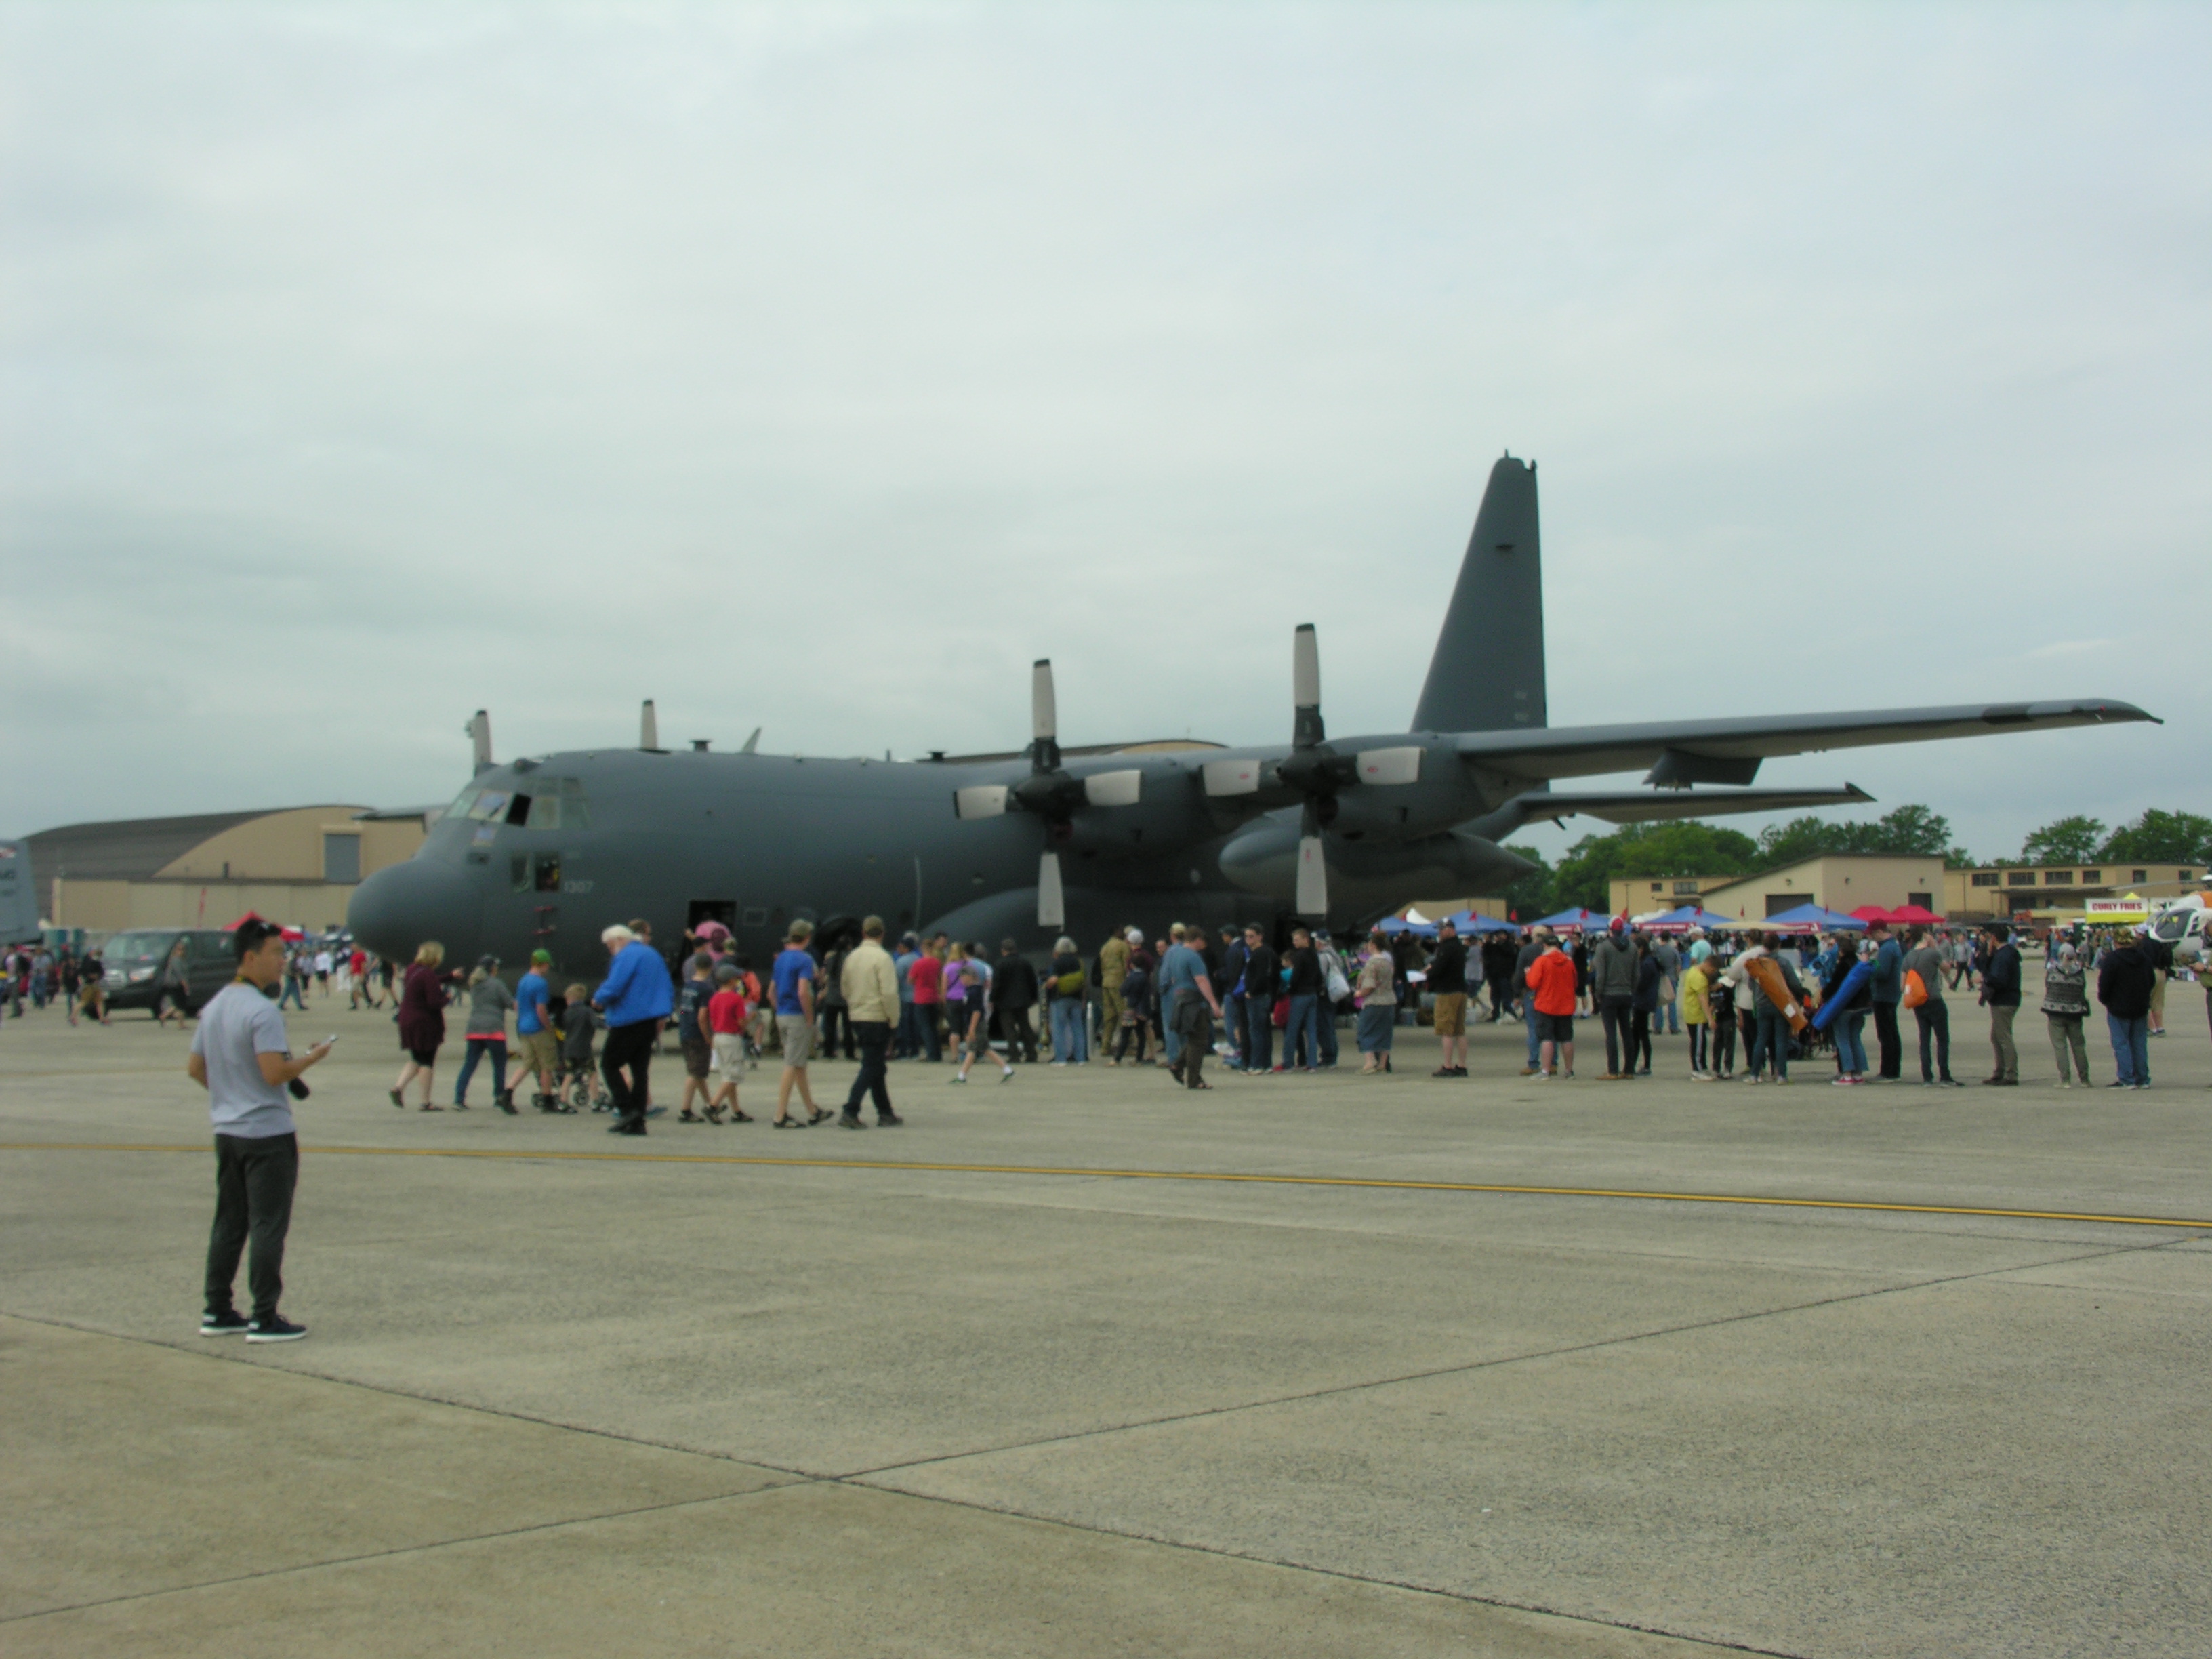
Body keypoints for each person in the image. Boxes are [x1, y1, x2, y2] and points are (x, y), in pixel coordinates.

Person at [187, 917, 331, 1343]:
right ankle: (264, 1315)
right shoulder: (262, 1010)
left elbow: (196, 1068)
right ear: (250, 958)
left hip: (228, 1131)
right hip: (266, 1134)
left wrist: (231, 1094)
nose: (282, 962)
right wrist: (311, 1059)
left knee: (229, 1223)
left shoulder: (215, 1006)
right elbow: (273, 1073)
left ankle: (217, 1309)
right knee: (268, 1224)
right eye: (275, 953)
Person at [594, 921, 674, 1136]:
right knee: (640, 1071)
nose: (610, 951)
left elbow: (616, 984)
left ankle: (627, 1109)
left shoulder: (628, 955)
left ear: (620, 940)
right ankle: (638, 1123)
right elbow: (666, 985)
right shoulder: (652, 955)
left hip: (629, 1018)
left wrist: (598, 998)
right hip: (651, 1019)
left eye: (610, 946)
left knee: (609, 1065)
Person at [838, 915, 904, 1128]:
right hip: (877, 1017)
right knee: (871, 1066)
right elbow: (889, 993)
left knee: (876, 1066)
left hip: (857, 1015)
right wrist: (894, 1018)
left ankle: (885, 1112)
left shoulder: (852, 957)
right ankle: (851, 1109)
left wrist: (854, 1006)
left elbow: (845, 988)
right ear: (882, 934)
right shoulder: (883, 958)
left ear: (864, 933)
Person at [771, 920, 827, 1126]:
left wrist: (779, 1009)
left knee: (799, 1064)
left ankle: (812, 1110)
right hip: (797, 1015)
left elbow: (771, 991)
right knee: (792, 1064)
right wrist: (810, 1016)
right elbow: (803, 991)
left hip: (782, 1014)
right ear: (807, 937)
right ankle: (780, 1115)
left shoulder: (781, 959)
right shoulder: (804, 960)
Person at [452, 955, 518, 1112]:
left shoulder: (474, 984)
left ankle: (459, 1098)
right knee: (499, 1064)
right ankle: (499, 1096)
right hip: (493, 1029)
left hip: (474, 1028)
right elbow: (509, 1003)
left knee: (470, 1064)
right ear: (493, 969)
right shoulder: (497, 984)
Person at [1159, 928, 1223, 1089]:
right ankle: (1194, 1079)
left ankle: (1178, 1065)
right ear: (1197, 939)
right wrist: (1214, 1003)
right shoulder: (1193, 957)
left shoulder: (1175, 954)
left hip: (1180, 999)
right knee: (1200, 1040)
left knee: (1193, 1037)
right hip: (1195, 1002)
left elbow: (1171, 978)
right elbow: (1201, 980)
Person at [391, 941, 449, 1110]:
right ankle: (425, 1101)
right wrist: (447, 998)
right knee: (427, 1062)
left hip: (407, 1019)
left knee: (416, 1058)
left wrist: (449, 977)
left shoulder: (412, 970)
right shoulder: (428, 975)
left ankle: (398, 1087)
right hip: (423, 1023)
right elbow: (433, 1003)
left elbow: (426, 982)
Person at [2097, 926, 2155, 1090]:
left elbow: (2104, 984)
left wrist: (2106, 1000)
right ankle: (2142, 1078)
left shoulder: (2112, 959)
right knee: (2139, 1043)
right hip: (2140, 1006)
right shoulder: (2144, 959)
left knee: (2121, 1043)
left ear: (2116, 942)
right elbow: (2151, 981)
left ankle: (2126, 1078)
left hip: (2118, 1007)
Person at [1902, 926, 1957, 1086]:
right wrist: (1934, 946)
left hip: (1918, 1002)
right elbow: (1947, 968)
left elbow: (1902, 984)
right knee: (1942, 1038)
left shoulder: (1908, 957)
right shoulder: (1932, 954)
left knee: (1924, 1039)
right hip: (1934, 999)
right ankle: (1944, 1075)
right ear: (1926, 937)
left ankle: (1927, 1076)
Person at [954, 942, 1015, 1084]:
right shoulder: (971, 990)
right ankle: (1006, 1069)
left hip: (977, 1024)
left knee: (972, 1050)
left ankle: (962, 1076)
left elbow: (976, 1011)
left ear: (970, 976)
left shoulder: (974, 991)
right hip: (975, 1023)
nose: (961, 979)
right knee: (985, 1049)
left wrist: (971, 1029)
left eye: (963, 976)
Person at [1525, 929, 1578, 1080]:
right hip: (1566, 1005)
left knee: (1547, 1038)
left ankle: (1546, 1071)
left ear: (1545, 946)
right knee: (1567, 1039)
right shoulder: (1568, 961)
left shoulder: (1542, 961)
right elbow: (1575, 983)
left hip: (1546, 1004)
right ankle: (1569, 1071)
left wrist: (1528, 973)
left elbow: (1533, 983)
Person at [1591, 918, 1640, 1081]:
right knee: (1627, 1032)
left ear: (1610, 930)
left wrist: (1598, 994)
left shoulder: (1603, 947)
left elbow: (1601, 975)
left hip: (1609, 995)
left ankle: (1613, 1069)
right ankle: (1629, 1069)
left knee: (1611, 1033)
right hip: (1626, 994)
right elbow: (1636, 974)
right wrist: (1631, 991)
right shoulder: (1632, 947)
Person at [703, 964, 753, 1122]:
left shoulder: (714, 998)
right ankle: (713, 1105)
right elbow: (741, 1022)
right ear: (731, 981)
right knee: (733, 1075)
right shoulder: (736, 998)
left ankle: (736, 1110)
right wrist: (750, 1018)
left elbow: (712, 1020)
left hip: (718, 1036)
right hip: (731, 1038)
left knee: (726, 1074)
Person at [513, 949, 560, 1109]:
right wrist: (548, 1026)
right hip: (537, 1028)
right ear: (544, 964)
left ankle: (508, 1092)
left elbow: (517, 1005)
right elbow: (541, 1009)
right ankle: (547, 1099)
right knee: (547, 1066)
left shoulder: (523, 980)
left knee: (527, 1063)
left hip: (523, 1027)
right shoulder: (540, 983)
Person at [1823, 939, 1874, 1086]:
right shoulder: (1860, 964)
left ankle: (1847, 1074)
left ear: (1841, 951)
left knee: (1843, 1040)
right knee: (1855, 1039)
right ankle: (1858, 1073)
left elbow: (1834, 986)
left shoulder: (1843, 966)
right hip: (1860, 1007)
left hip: (1844, 1007)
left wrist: (1824, 994)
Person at [2042, 940, 2091, 1088]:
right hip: (2075, 1013)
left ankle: (2065, 1079)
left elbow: (2048, 986)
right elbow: (2082, 989)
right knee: (2078, 1045)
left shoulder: (2052, 971)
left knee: (2060, 1046)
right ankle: (2084, 1078)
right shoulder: (2079, 972)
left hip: (2055, 1012)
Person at [1978, 923, 2022, 1086]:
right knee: (1996, 1036)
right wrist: (1988, 955)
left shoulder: (2003, 956)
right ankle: (2000, 1070)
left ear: (1994, 938)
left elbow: (2000, 979)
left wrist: (1986, 980)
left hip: (2004, 1000)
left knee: (2003, 1037)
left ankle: (2010, 1073)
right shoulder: (2005, 954)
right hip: (2006, 999)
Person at [675, 953, 717, 1122]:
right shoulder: (706, 990)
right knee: (694, 1073)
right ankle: (685, 1110)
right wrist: (708, 1035)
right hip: (697, 1034)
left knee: (698, 1071)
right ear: (711, 967)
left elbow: (684, 1009)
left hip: (685, 1030)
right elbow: (702, 1015)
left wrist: (685, 1019)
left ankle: (710, 1104)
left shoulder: (688, 986)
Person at [1427, 919, 1469, 1078]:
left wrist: (1428, 974)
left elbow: (1439, 968)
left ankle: (1447, 1065)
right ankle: (1462, 1065)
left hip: (1447, 991)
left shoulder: (1447, 948)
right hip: (1461, 990)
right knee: (1460, 1030)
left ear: (1451, 929)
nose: (1439, 933)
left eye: (1441, 929)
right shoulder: (1460, 947)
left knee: (1446, 1030)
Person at [1279, 926, 1323, 1073]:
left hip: (1300, 995)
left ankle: (1288, 1062)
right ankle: (1312, 1063)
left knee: (1293, 1029)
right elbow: (1319, 975)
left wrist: (1290, 989)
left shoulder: (1299, 956)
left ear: (1306, 939)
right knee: (1311, 1030)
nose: (1295, 943)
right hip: (1312, 994)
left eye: (1297, 939)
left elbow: (1296, 977)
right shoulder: (1314, 955)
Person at [1235, 924, 1277, 1073]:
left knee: (1256, 1030)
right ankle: (1266, 1064)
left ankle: (1257, 1064)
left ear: (1260, 936)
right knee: (1264, 1029)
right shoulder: (1267, 952)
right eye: (1246, 936)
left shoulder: (1260, 953)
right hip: (1265, 995)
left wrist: (1251, 991)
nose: (1248, 939)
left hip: (1257, 996)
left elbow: (1262, 975)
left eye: (1252, 936)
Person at [1353, 933, 1397, 1074]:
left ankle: (1370, 1061)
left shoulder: (1372, 963)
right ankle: (1383, 1064)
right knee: (1385, 1033)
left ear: (1373, 946)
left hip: (1375, 1001)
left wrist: (1359, 993)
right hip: (1389, 1000)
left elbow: (1370, 985)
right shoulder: (1387, 962)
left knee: (1364, 1030)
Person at [1866, 922, 1904, 1083]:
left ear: (1879, 932)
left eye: (1873, 934)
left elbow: (1882, 972)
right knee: (1891, 1033)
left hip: (1884, 996)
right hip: (1890, 995)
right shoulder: (1892, 946)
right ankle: (1892, 1070)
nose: (1871, 937)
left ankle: (1888, 1072)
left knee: (1886, 1034)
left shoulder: (1887, 949)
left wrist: (1869, 963)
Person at [994, 939, 1040, 1063]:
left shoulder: (1000, 964)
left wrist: (993, 999)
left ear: (1003, 951)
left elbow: (997, 984)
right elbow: (1033, 982)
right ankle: (1031, 1054)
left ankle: (1014, 1055)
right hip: (1023, 1001)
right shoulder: (1025, 963)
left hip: (1005, 1002)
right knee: (1025, 1027)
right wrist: (1034, 997)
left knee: (1009, 1029)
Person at [1046, 936, 1089, 1065]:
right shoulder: (1077, 962)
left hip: (1060, 999)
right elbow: (1083, 980)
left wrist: (1048, 984)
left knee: (1059, 1028)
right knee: (1078, 1028)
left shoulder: (1057, 963)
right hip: (1076, 998)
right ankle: (1080, 1058)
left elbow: (1053, 980)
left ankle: (1061, 1059)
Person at [817, 928, 856, 1061]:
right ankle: (849, 1052)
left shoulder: (831, 958)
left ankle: (828, 1051)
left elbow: (826, 976)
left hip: (832, 996)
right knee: (848, 1027)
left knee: (830, 1027)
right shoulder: (850, 959)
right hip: (846, 997)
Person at [558, 983, 599, 1111]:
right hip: (584, 1049)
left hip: (569, 1049)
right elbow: (596, 1022)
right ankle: (596, 1101)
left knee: (569, 1075)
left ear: (571, 999)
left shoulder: (567, 1013)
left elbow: (564, 1027)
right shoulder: (587, 1011)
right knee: (592, 1074)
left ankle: (563, 1101)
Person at [1113, 944, 1155, 1065]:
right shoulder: (1145, 977)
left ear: (1132, 965)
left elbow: (1123, 991)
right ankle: (1139, 1059)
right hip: (1142, 1010)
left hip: (1131, 1009)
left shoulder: (1132, 977)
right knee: (1141, 1034)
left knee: (1125, 1034)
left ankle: (1117, 1059)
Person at [907, 937, 945, 1063]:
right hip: (934, 997)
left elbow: (911, 980)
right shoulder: (936, 962)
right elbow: (940, 977)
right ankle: (937, 1053)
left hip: (921, 998)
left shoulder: (918, 963)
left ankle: (931, 1054)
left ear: (922, 948)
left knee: (925, 1027)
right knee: (933, 1027)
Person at [1098, 928, 1132, 1059]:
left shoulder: (1105, 947)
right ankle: (1130, 1045)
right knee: (1125, 1013)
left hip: (1106, 982)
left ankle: (1105, 1046)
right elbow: (1127, 965)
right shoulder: (1122, 946)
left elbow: (1102, 966)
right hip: (1118, 983)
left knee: (1109, 1016)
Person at [1629, 935, 1660, 1075]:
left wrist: (1632, 982)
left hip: (1643, 1002)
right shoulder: (1648, 961)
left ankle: (1642, 1064)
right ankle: (1638, 1063)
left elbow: (1641, 984)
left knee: (1639, 1034)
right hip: (1644, 1001)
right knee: (1639, 1033)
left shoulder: (1647, 964)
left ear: (1642, 949)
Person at [1681, 951, 1711, 1077]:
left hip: (1690, 1011)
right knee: (1698, 1043)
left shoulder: (1692, 971)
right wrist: (1710, 1018)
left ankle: (1702, 1066)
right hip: (1696, 1014)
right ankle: (1697, 1070)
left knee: (1700, 1040)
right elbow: (1703, 999)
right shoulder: (1700, 978)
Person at [1704, 964, 1737, 1079]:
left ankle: (1728, 1068)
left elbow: (1727, 1003)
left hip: (1728, 1018)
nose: (1711, 990)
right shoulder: (1709, 993)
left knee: (1729, 1043)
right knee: (1717, 1044)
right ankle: (1716, 1068)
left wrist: (1713, 1007)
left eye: (1712, 987)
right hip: (1718, 1019)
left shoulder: (1726, 990)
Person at [892, 933, 921, 1059]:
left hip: (904, 997)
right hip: (918, 996)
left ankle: (903, 1051)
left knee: (904, 1025)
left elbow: (896, 979)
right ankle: (915, 1051)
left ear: (905, 948)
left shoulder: (901, 961)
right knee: (915, 1025)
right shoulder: (919, 959)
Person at [155, 938, 191, 1028]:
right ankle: (181, 1024)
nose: (181, 951)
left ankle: (163, 1016)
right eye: (179, 949)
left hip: (179, 984)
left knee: (178, 1005)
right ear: (175, 950)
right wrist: (185, 985)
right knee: (181, 1005)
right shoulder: (176, 960)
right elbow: (179, 974)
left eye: (183, 949)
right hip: (176, 985)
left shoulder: (182, 960)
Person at [1651, 933, 1682, 1036]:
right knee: (1672, 1002)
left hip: (1659, 977)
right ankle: (1673, 1027)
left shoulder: (1657, 950)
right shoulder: (1673, 950)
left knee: (1658, 1002)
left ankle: (1658, 1027)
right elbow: (1678, 965)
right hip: (1671, 978)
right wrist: (1677, 977)